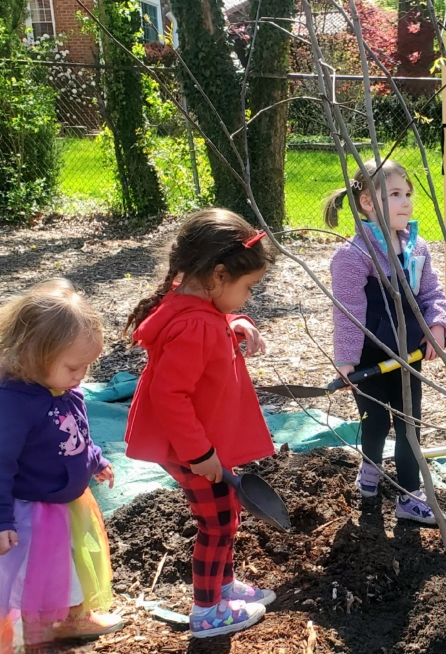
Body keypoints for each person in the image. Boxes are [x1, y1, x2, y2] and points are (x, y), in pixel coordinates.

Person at [123, 209, 276, 638]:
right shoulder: (195, 325)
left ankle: (222, 587)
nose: (248, 297)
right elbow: (169, 396)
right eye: (247, 289)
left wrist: (235, 322)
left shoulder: (193, 303)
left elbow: (210, 317)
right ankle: (208, 611)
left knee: (226, 512)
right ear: (218, 275)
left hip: (197, 441)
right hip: (190, 446)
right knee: (217, 523)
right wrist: (200, 453)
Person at [0, 279, 122, 653]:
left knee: (72, 565)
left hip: (64, 505)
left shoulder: (63, 386)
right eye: (74, 366)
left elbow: (76, 433)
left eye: (87, 366)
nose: (82, 376)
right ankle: (40, 638)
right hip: (26, 514)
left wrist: (95, 459)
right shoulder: (10, 403)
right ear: (33, 355)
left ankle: (73, 616)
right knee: (36, 582)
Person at [325, 159, 446, 525]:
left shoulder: (417, 248)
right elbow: (348, 311)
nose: (406, 201)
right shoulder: (353, 256)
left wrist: (437, 325)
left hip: (409, 355)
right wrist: (346, 359)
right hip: (370, 358)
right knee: (376, 421)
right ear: (367, 202)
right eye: (395, 194)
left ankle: (409, 496)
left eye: (407, 193)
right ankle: (370, 466)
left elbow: (432, 293)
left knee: (410, 425)